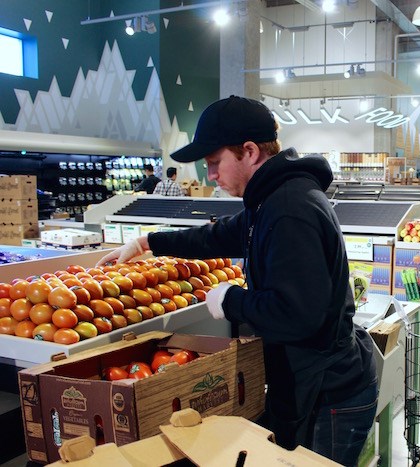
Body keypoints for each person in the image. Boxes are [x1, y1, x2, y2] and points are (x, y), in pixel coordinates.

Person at [97, 95, 378, 466]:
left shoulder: (289, 210)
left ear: (249, 152)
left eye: (215, 162)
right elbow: (219, 236)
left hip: (328, 395)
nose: (210, 175)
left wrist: (230, 300)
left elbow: (297, 314)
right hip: (310, 382)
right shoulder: (272, 198)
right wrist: (148, 242)